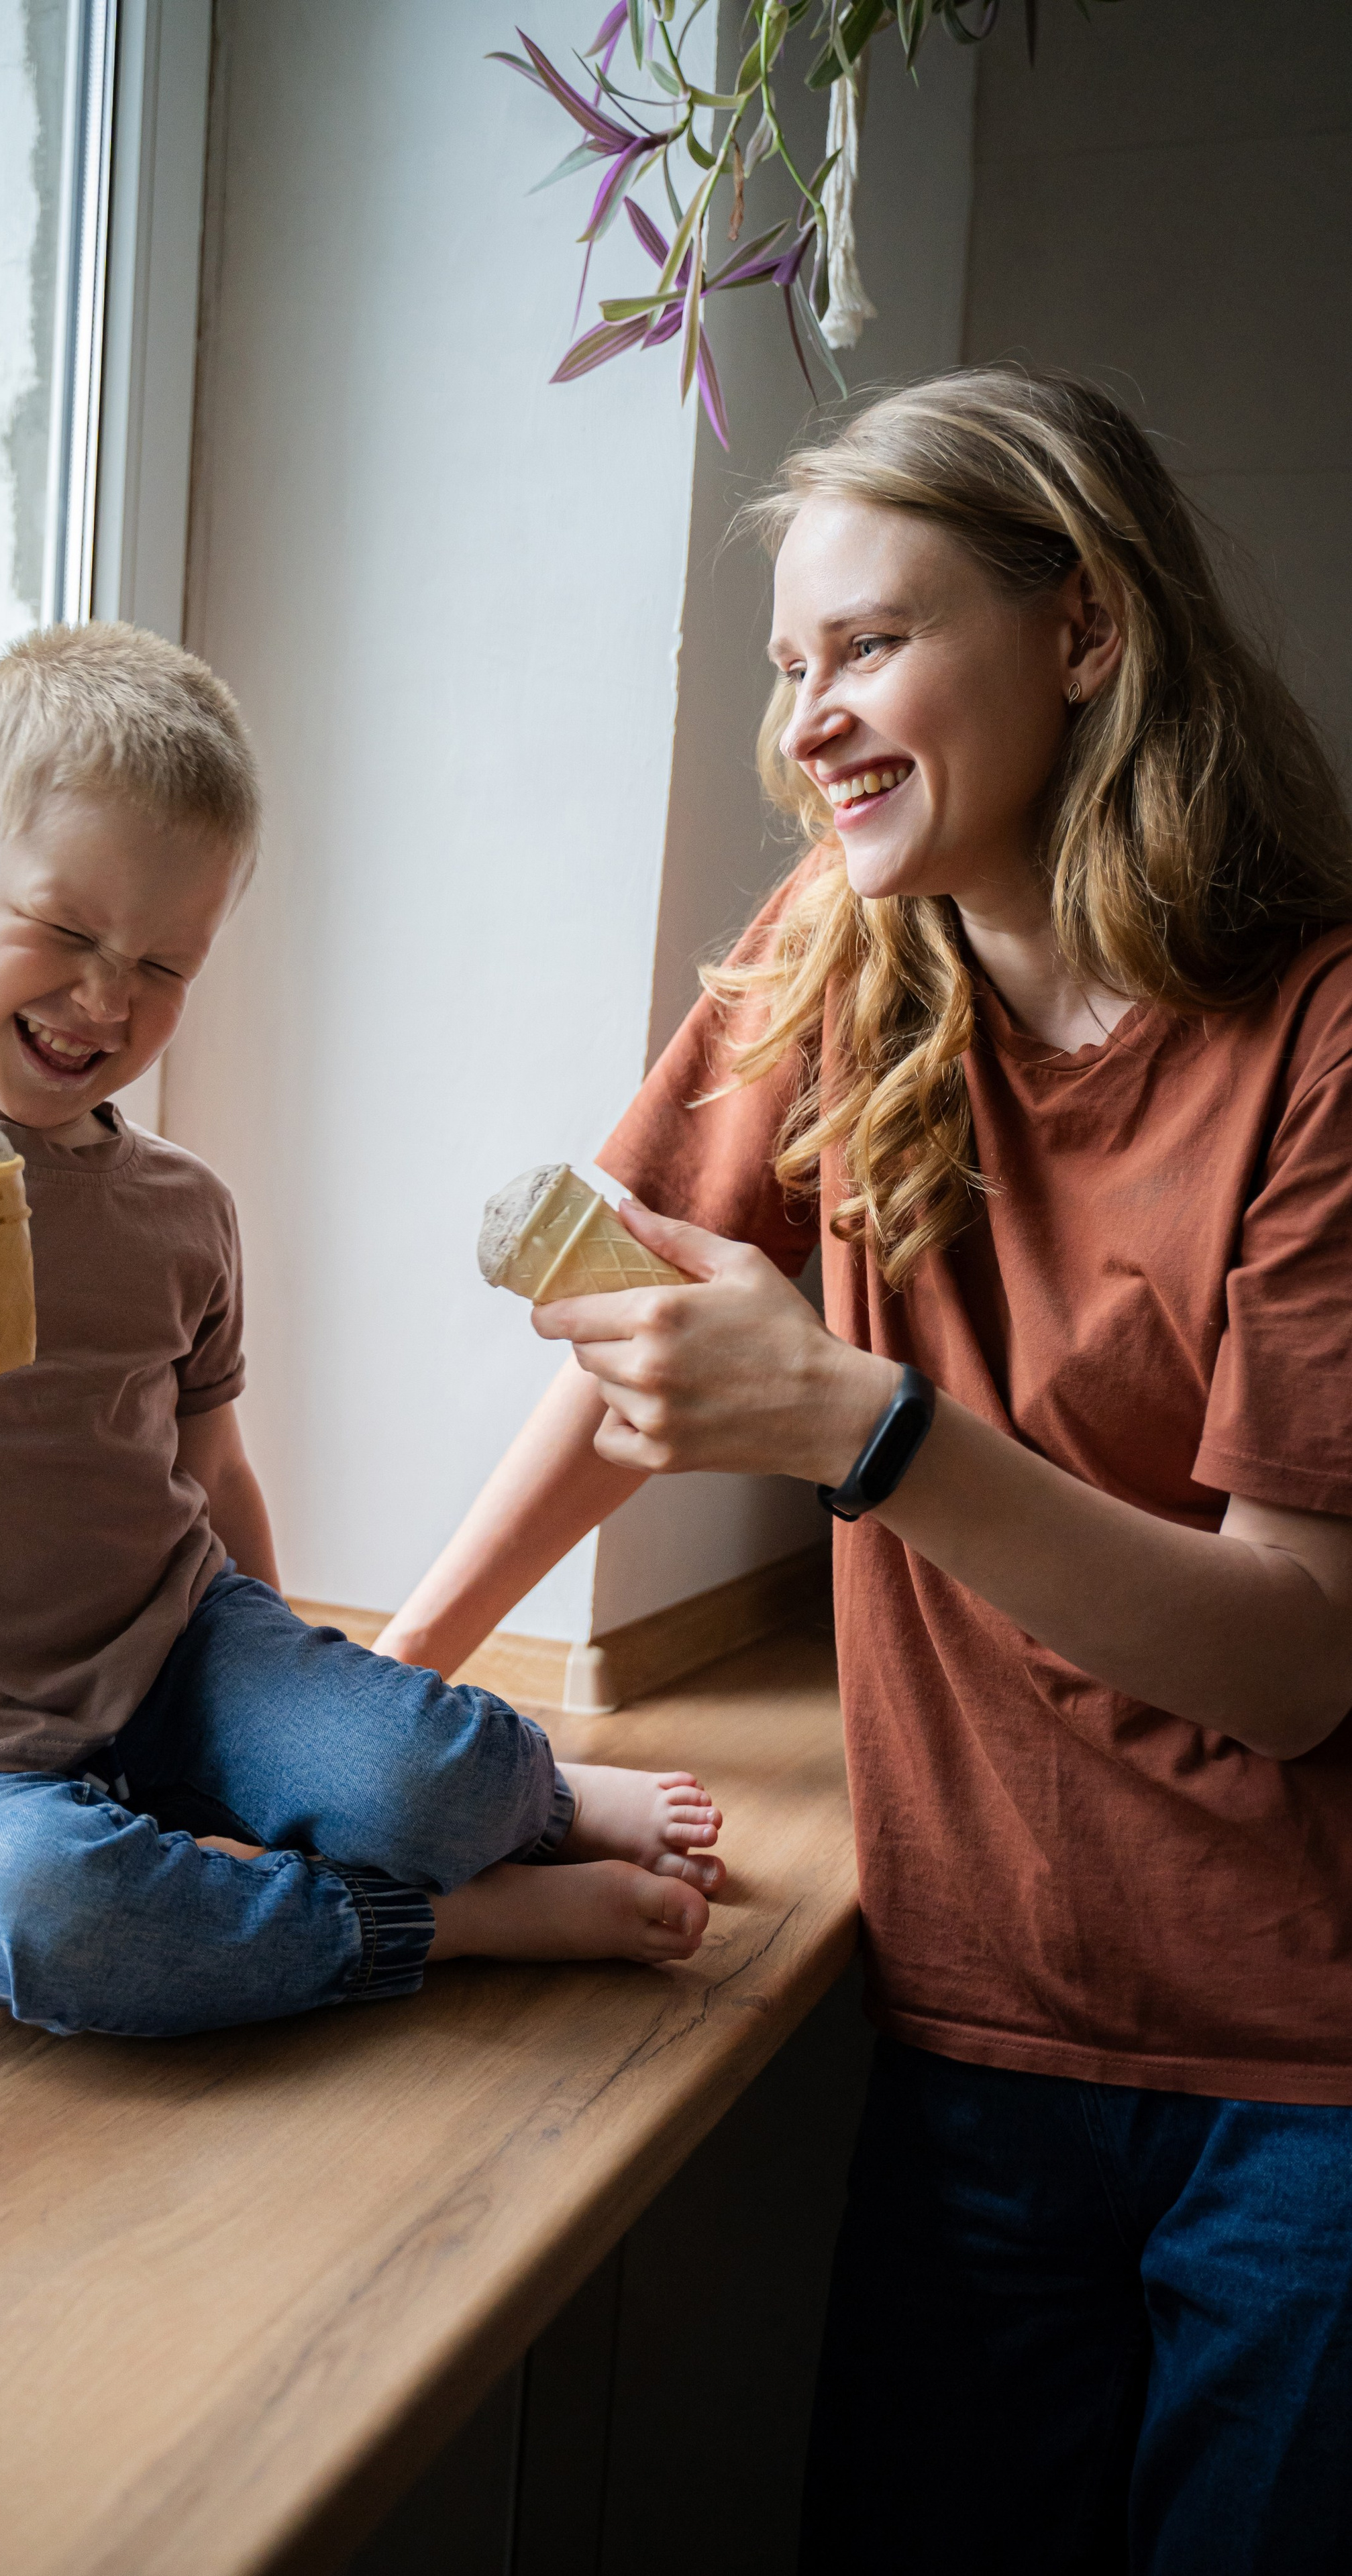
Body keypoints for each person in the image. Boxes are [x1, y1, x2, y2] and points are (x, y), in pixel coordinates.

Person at [374, 370, 1352, 2572]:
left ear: (1085, 630)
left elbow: (1295, 1663)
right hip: (972, 2021)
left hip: (1309, 2078)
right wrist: (406, 1674)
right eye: (792, 668)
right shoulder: (829, 965)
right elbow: (630, 1338)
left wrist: (849, 1420)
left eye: (874, 644)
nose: (810, 719)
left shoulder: (1322, 1042)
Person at [0, 621, 725, 2039]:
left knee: (427, 1773)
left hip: (185, 1656)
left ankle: (530, 1801)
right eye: (64, 932)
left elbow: (213, 1472)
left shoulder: (180, 1205)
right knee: (57, 1921)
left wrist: (305, 1711)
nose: (106, 997)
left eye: (163, 964)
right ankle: (446, 1924)